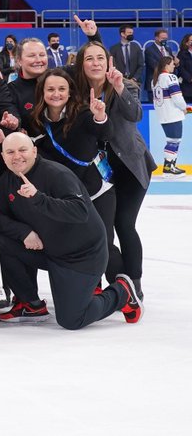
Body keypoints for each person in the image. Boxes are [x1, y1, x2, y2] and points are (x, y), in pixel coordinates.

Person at [0, 132, 143, 329]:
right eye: (10, 152)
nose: (16, 156)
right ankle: (31, 305)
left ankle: (122, 293)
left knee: (71, 320)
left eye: (22, 150)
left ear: (34, 151)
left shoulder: (56, 174)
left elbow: (80, 211)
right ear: (3, 156)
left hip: (81, 256)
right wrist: (23, 232)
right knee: (0, 243)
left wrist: (39, 198)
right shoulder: (7, 181)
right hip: (50, 251)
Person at [71, 41, 153, 296]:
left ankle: (134, 282)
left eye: (101, 59)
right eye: (89, 59)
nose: (96, 63)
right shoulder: (76, 92)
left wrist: (118, 87)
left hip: (130, 166)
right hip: (99, 172)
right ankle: (106, 278)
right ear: (80, 65)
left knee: (124, 223)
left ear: (109, 64)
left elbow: (135, 114)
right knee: (101, 227)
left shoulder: (124, 85)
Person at [26, 69, 119, 282]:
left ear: (69, 93)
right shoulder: (36, 121)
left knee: (104, 242)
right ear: (42, 93)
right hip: (67, 196)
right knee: (77, 243)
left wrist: (100, 116)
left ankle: (122, 288)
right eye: (50, 89)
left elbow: (105, 134)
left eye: (61, 89)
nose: (56, 94)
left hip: (97, 190)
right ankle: (90, 286)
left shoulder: (84, 113)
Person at [152, 56, 188, 175]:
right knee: (174, 141)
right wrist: (184, 107)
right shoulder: (170, 77)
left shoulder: (155, 79)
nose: (174, 66)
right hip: (173, 114)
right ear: (167, 64)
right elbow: (177, 97)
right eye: (172, 64)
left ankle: (171, 165)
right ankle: (168, 167)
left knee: (172, 140)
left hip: (163, 115)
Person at [143, 28, 179, 101]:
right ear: (156, 38)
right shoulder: (149, 50)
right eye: (163, 38)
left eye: (166, 38)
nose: (165, 40)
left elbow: (172, 64)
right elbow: (154, 65)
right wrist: (167, 68)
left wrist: (176, 63)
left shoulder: (168, 49)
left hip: (168, 83)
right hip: (155, 82)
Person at [179, 33, 192, 100]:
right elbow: (181, 68)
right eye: (191, 40)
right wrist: (190, 78)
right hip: (187, 86)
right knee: (189, 109)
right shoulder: (182, 54)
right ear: (186, 43)